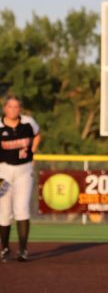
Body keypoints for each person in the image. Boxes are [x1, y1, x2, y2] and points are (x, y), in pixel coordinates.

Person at [0, 96, 41, 262]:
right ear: (5, 109)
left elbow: (37, 135)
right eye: (10, 107)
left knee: (22, 208)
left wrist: (33, 152)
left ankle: (23, 250)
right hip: (3, 171)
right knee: (4, 212)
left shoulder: (28, 122)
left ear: (20, 109)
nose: (13, 110)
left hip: (24, 170)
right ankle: (4, 248)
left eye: (16, 107)